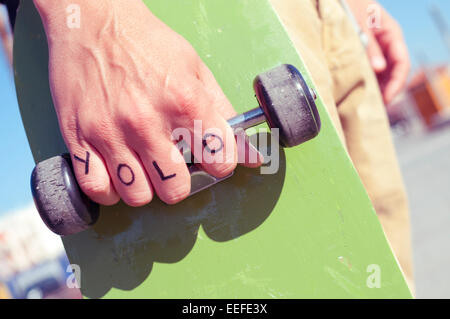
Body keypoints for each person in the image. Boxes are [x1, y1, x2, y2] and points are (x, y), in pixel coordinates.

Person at [4, 0, 414, 291]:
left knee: (382, 274)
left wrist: (353, 9)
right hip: (157, 26)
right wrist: (92, 19)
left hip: (319, 18)